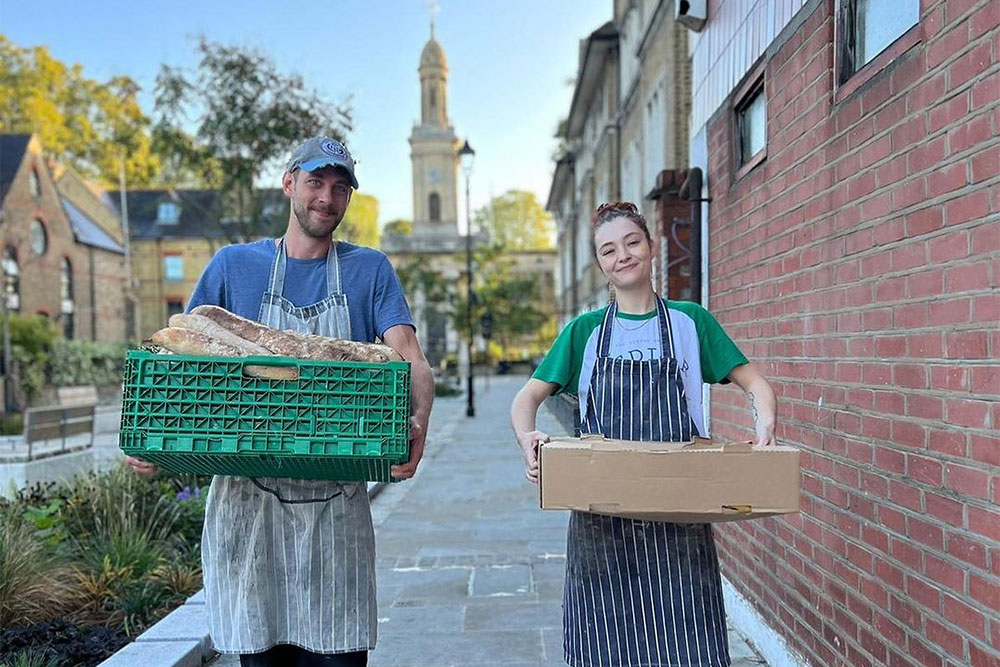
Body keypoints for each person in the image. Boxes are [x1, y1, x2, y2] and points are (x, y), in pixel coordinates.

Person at [126, 137, 434, 667]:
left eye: (340, 188)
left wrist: (418, 425)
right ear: (289, 184)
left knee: (338, 659)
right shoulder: (233, 266)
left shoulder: (369, 270)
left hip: (335, 511)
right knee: (260, 659)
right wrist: (153, 437)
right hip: (249, 512)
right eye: (315, 182)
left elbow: (409, 358)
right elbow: (179, 355)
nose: (326, 198)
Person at [510, 201, 777, 667]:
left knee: (688, 648)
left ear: (651, 247)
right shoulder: (584, 332)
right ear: (601, 265)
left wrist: (764, 423)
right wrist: (527, 438)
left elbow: (755, 382)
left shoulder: (691, 323)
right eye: (609, 250)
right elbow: (525, 399)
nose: (623, 256)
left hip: (680, 517)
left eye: (632, 243)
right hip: (601, 526)